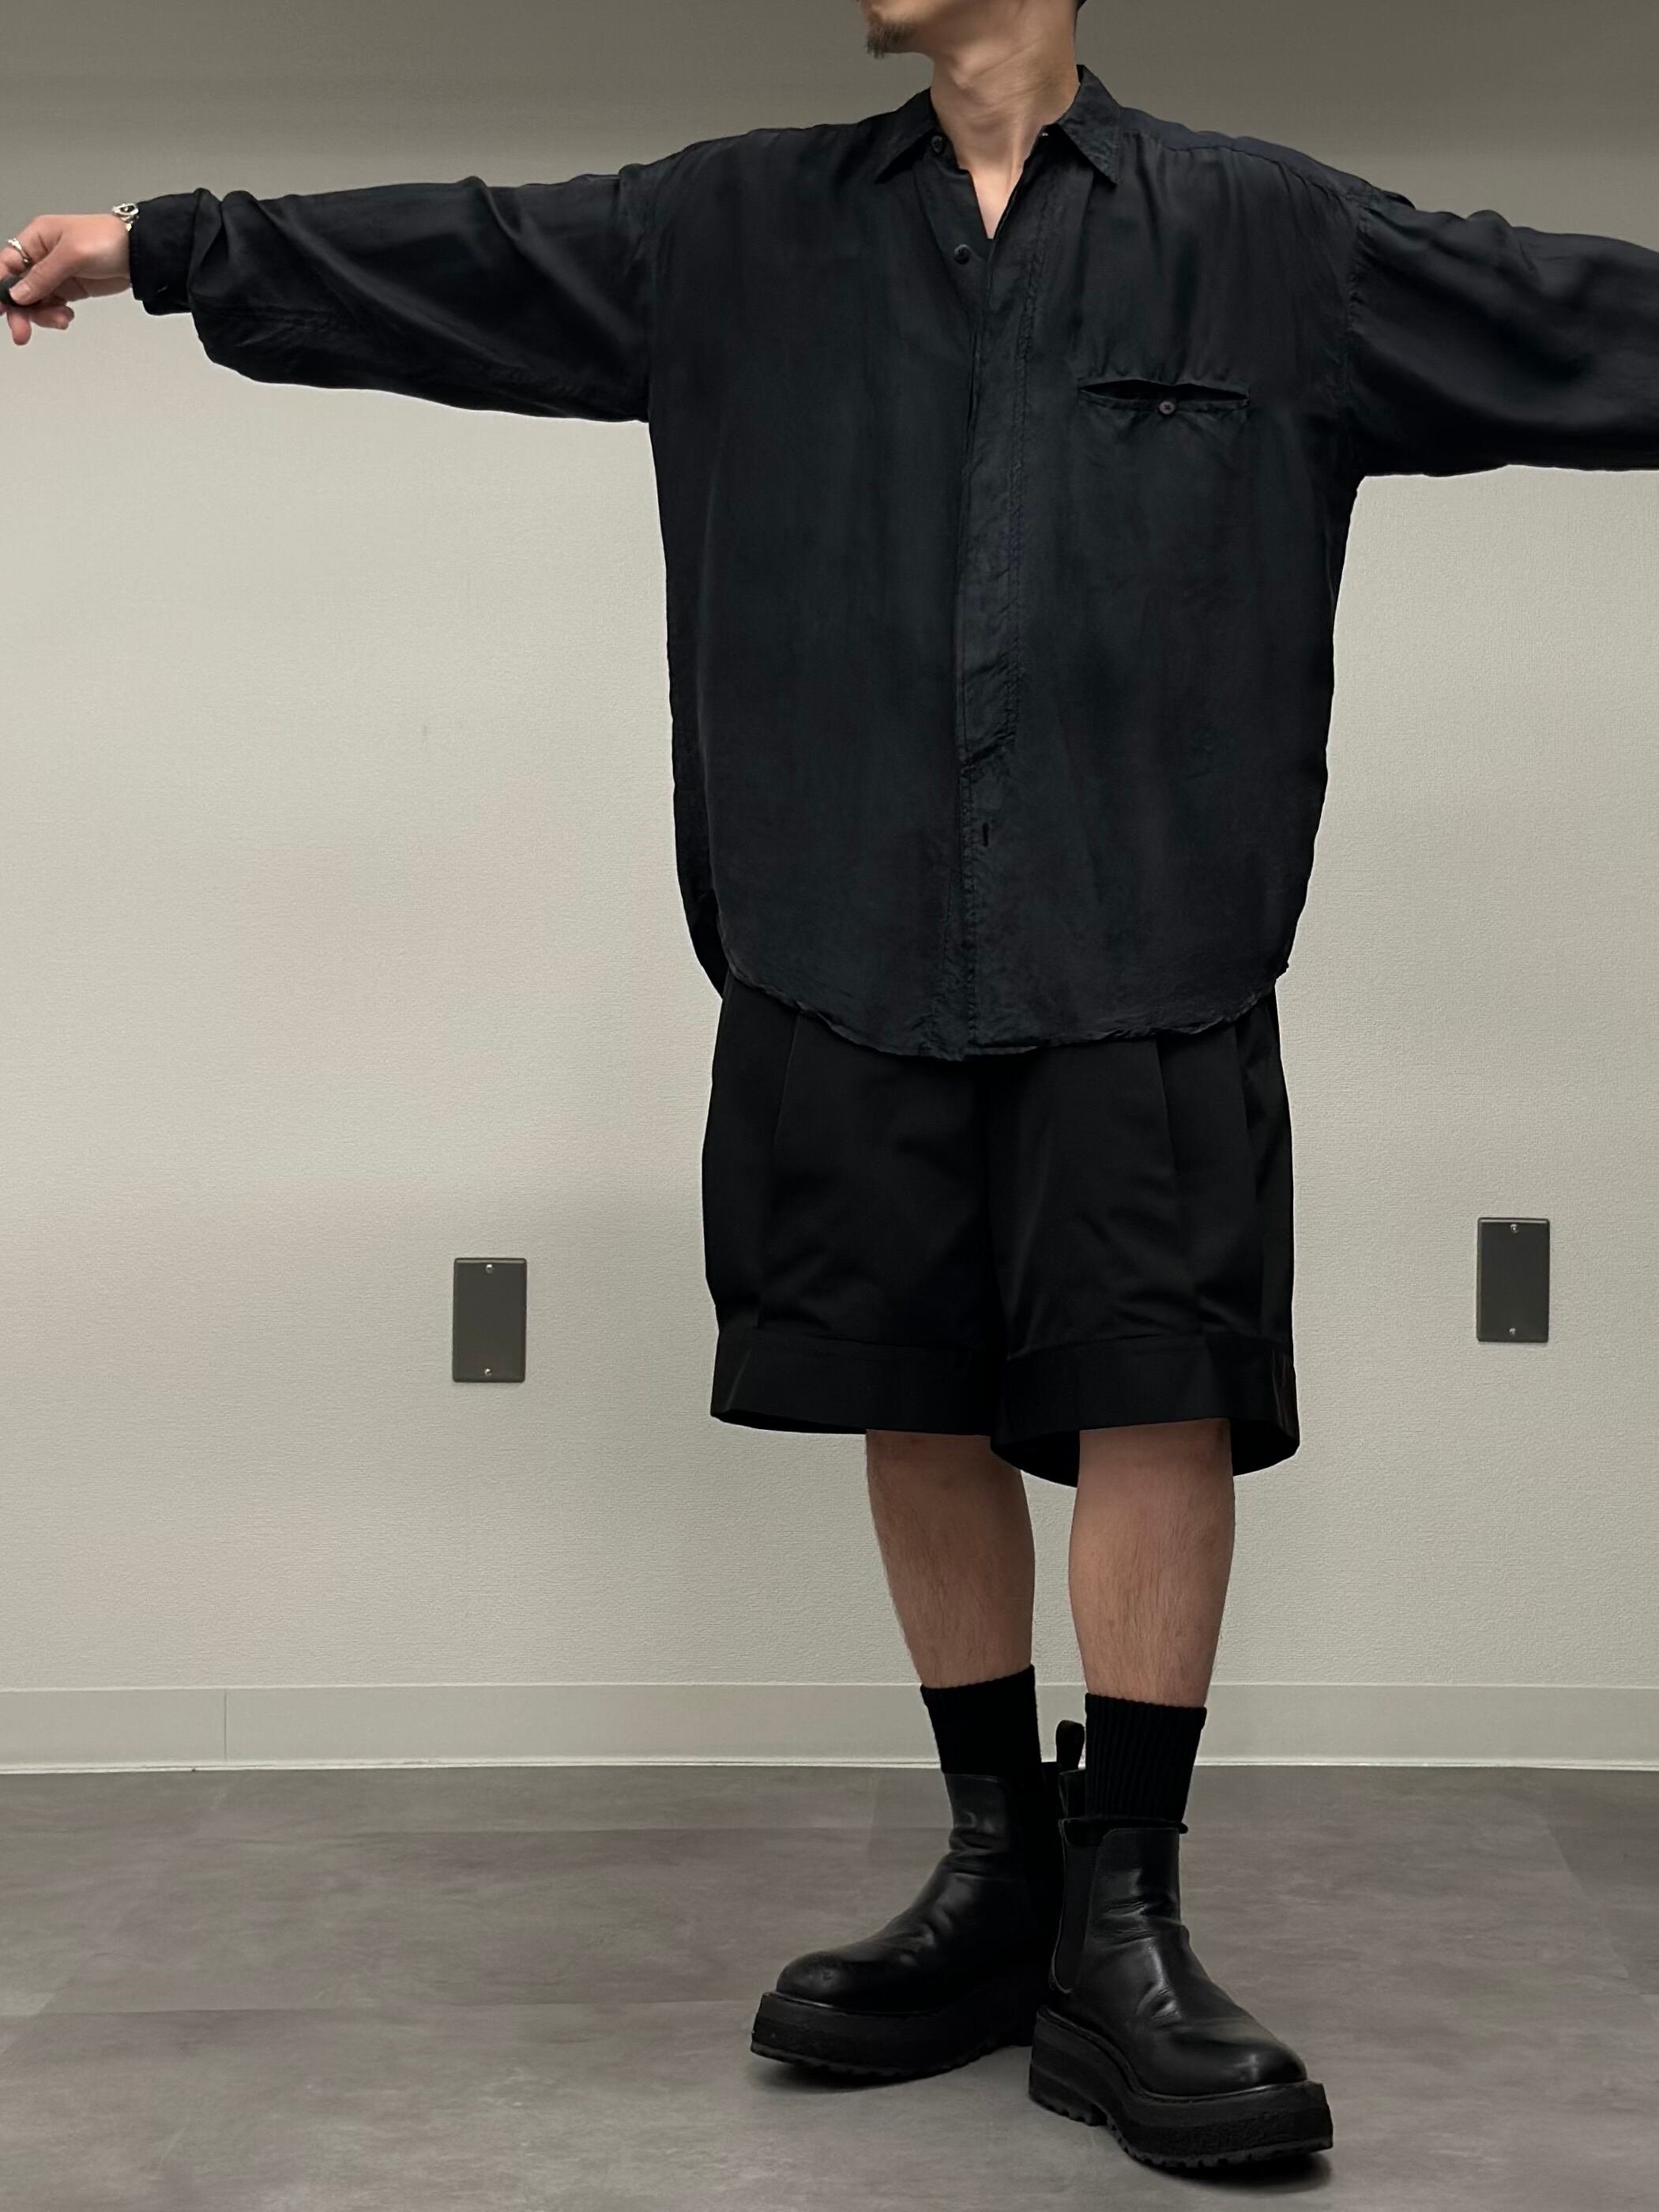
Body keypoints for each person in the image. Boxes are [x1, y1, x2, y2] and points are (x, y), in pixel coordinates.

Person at [10, 0, 1659, 2174]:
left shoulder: (1271, 242)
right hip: (839, 930)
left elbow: (1567, 314)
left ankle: (1128, 1921)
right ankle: (994, 1870)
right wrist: (163, 245)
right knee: (911, 1387)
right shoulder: (735, 229)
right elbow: (470, 253)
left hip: (1145, 941)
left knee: (1155, 1390)